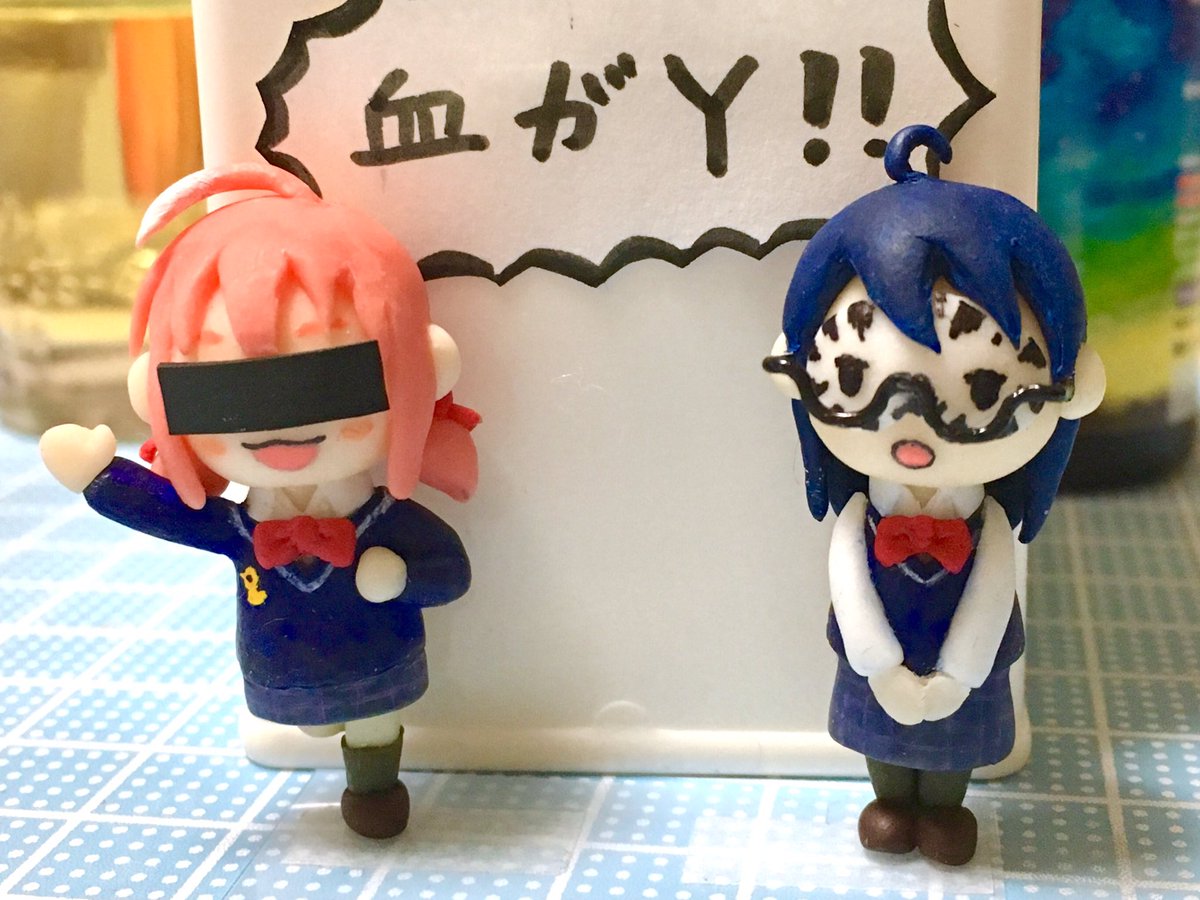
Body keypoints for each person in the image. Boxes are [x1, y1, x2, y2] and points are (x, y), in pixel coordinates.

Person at [40, 163, 480, 839]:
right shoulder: (242, 527)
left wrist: (398, 575)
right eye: (223, 400)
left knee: (372, 719)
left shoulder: (382, 519)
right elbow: (173, 513)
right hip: (282, 662)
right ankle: (324, 724)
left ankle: (374, 787)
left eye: (332, 385)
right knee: (315, 720)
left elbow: (449, 570)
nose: (279, 430)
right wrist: (102, 479)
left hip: (379, 656)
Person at [764, 125, 1105, 865]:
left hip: (962, 666)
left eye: (979, 393)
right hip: (878, 661)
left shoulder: (988, 527)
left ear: (1073, 390)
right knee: (881, 746)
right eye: (857, 381)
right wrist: (879, 663)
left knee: (953, 752)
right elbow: (850, 587)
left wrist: (957, 675)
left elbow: (991, 596)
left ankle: (945, 809)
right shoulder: (861, 518)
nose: (914, 425)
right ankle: (890, 802)